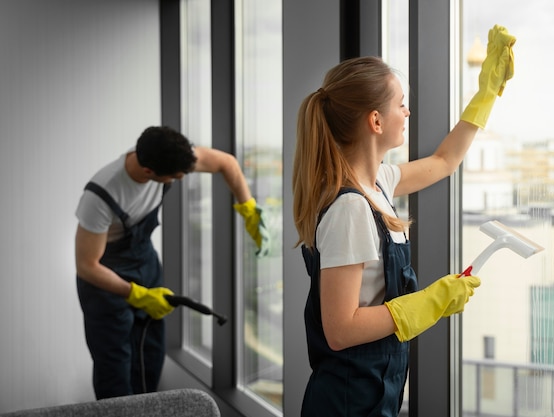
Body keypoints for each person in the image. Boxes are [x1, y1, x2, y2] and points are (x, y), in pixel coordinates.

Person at [293, 25, 515, 416]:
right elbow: (340, 329)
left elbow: (445, 161)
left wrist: (486, 94)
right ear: (376, 121)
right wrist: (430, 301)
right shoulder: (350, 208)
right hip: (347, 402)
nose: (408, 112)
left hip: (376, 392)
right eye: (401, 104)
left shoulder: (378, 181)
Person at [75, 125, 269, 399]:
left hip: (144, 262)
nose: (181, 178)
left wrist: (247, 208)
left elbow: (227, 163)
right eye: (176, 177)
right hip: (104, 280)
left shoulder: (171, 155)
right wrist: (136, 294)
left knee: (149, 359)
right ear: (149, 173)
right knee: (115, 371)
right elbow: (86, 265)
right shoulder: (101, 195)